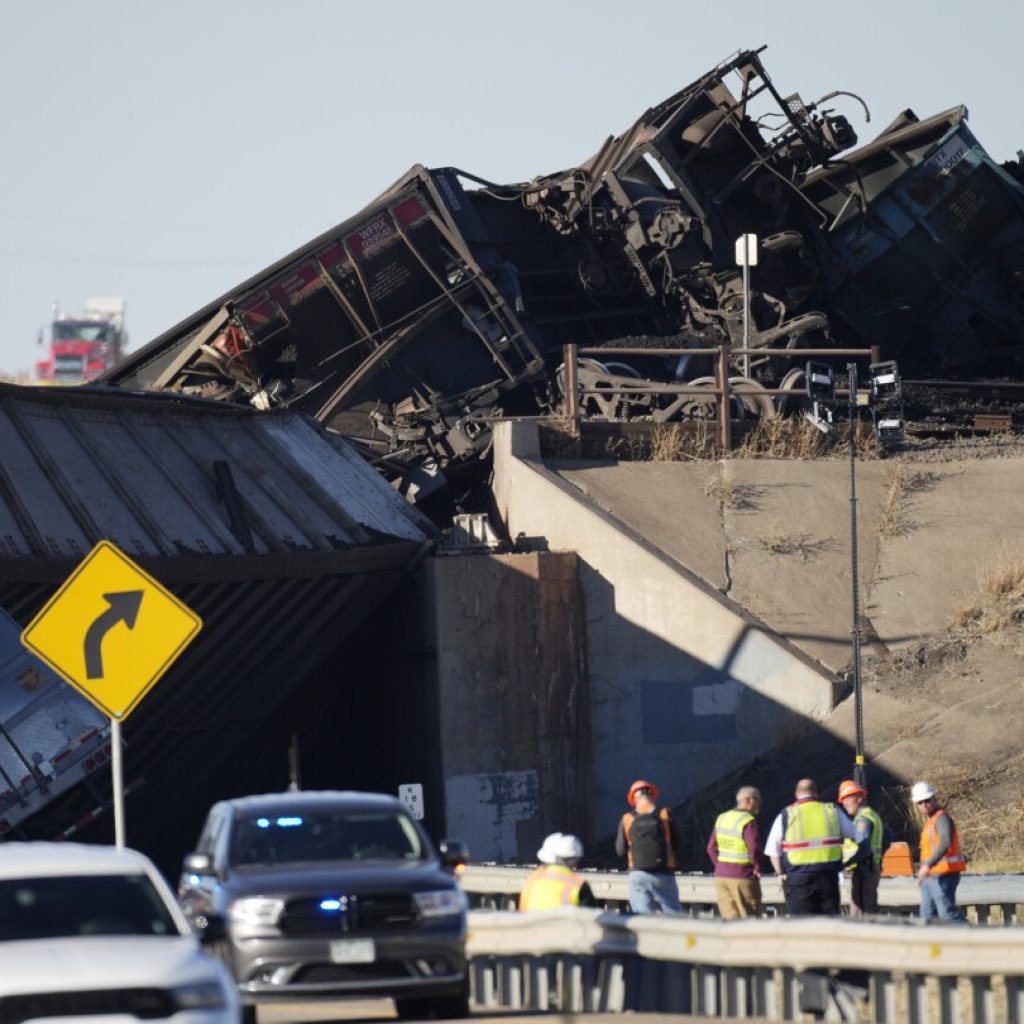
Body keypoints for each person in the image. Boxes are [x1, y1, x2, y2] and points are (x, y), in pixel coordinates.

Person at [765, 778, 857, 916]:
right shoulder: (832, 812)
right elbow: (855, 833)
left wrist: (781, 873)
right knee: (829, 923)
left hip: (798, 879)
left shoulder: (786, 815)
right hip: (827, 878)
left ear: (796, 794)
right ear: (816, 793)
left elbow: (773, 851)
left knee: (803, 926)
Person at [615, 779, 684, 914]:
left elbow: (620, 850)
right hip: (665, 872)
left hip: (638, 873)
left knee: (642, 918)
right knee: (674, 917)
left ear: (633, 798)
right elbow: (679, 843)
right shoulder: (665, 814)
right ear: (652, 796)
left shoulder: (627, 818)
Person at [912, 781, 967, 922]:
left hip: (944, 874)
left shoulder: (941, 818)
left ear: (934, 799)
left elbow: (945, 842)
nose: (924, 804)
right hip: (931, 876)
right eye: (920, 802)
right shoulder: (930, 822)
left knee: (947, 914)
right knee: (928, 915)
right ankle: (935, 944)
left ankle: (974, 939)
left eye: (927, 800)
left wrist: (927, 865)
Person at [706, 785, 763, 918]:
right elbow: (754, 849)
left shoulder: (722, 817)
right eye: (758, 801)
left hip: (721, 877)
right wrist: (758, 868)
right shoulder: (748, 821)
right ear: (749, 800)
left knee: (730, 919)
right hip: (742, 876)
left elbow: (710, 848)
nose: (759, 805)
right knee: (750, 919)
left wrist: (720, 866)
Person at [837, 779, 888, 916]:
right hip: (870, 868)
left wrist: (844, 864)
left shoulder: (862, 820)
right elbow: (888, 837)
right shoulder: (872, 815)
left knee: (861, 913)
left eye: (848, 798)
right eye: (843, 800)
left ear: (859, 798)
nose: (845, 803)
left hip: (864, 870)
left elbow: (864, 849)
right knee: (868, 910)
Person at [519, 833, 595, 911]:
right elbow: (591, 917)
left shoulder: (531, 880)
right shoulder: (577, 884)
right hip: (563, 923)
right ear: (574, 859)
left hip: (532, 923)